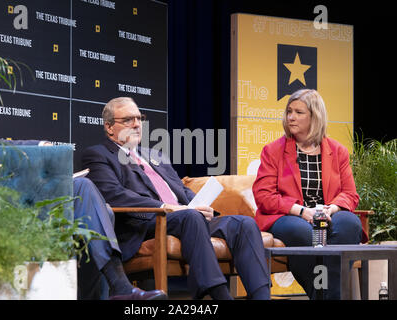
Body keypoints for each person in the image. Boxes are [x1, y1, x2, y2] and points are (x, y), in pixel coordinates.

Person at [0, 61, 166, 300]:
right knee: (84, 194)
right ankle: (118, 286)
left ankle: (116, 287)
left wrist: (38, 147)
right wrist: (39, 147)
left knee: (91, 201)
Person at [81, 97, 271, 300]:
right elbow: (114, 195)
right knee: (190, 217)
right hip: (146, 223)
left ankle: (261, 297)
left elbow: (180, 189)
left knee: (244, 224)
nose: (137, 124)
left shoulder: (154, 155)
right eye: (128, 120)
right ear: (109, 127)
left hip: (185, 218)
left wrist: (202, 206)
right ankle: (220, 296)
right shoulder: (98, 154)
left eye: (139, 118)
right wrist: (168, 207)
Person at [252, 89, 364, 300]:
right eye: (289, 111)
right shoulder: (273, 151)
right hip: (290, 215)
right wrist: (302, 211)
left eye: (298, 112)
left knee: (349, 223)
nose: (291, 117)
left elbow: (350, 194)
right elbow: (264, 195)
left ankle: (326, 296)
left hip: (327, 213)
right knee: (302, 231)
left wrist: (333, 208)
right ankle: (325, 297)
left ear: (315, 116)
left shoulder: (337, 151)